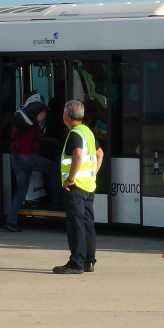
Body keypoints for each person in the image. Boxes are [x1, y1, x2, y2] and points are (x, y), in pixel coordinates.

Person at [53, 100, 103, 274]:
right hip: (89, 186)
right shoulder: (88, 132)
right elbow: (100, 153)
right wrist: (93, 173)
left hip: (76, 187)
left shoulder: (74, 133)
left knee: (76, 223)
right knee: (88, 222)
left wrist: (70, 179)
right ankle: (89, 260)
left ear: (66, 115)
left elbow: (78, 155)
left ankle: (76, 262)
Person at [5, 94, 60, 232]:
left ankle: (11, 221)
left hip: (16, 159)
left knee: (20, 191)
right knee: (55, 169)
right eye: (43, 112)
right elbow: (40, 137)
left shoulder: (20, 120)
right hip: (28, 158)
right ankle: (55, 203)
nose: (44, 115)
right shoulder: (31, 121)